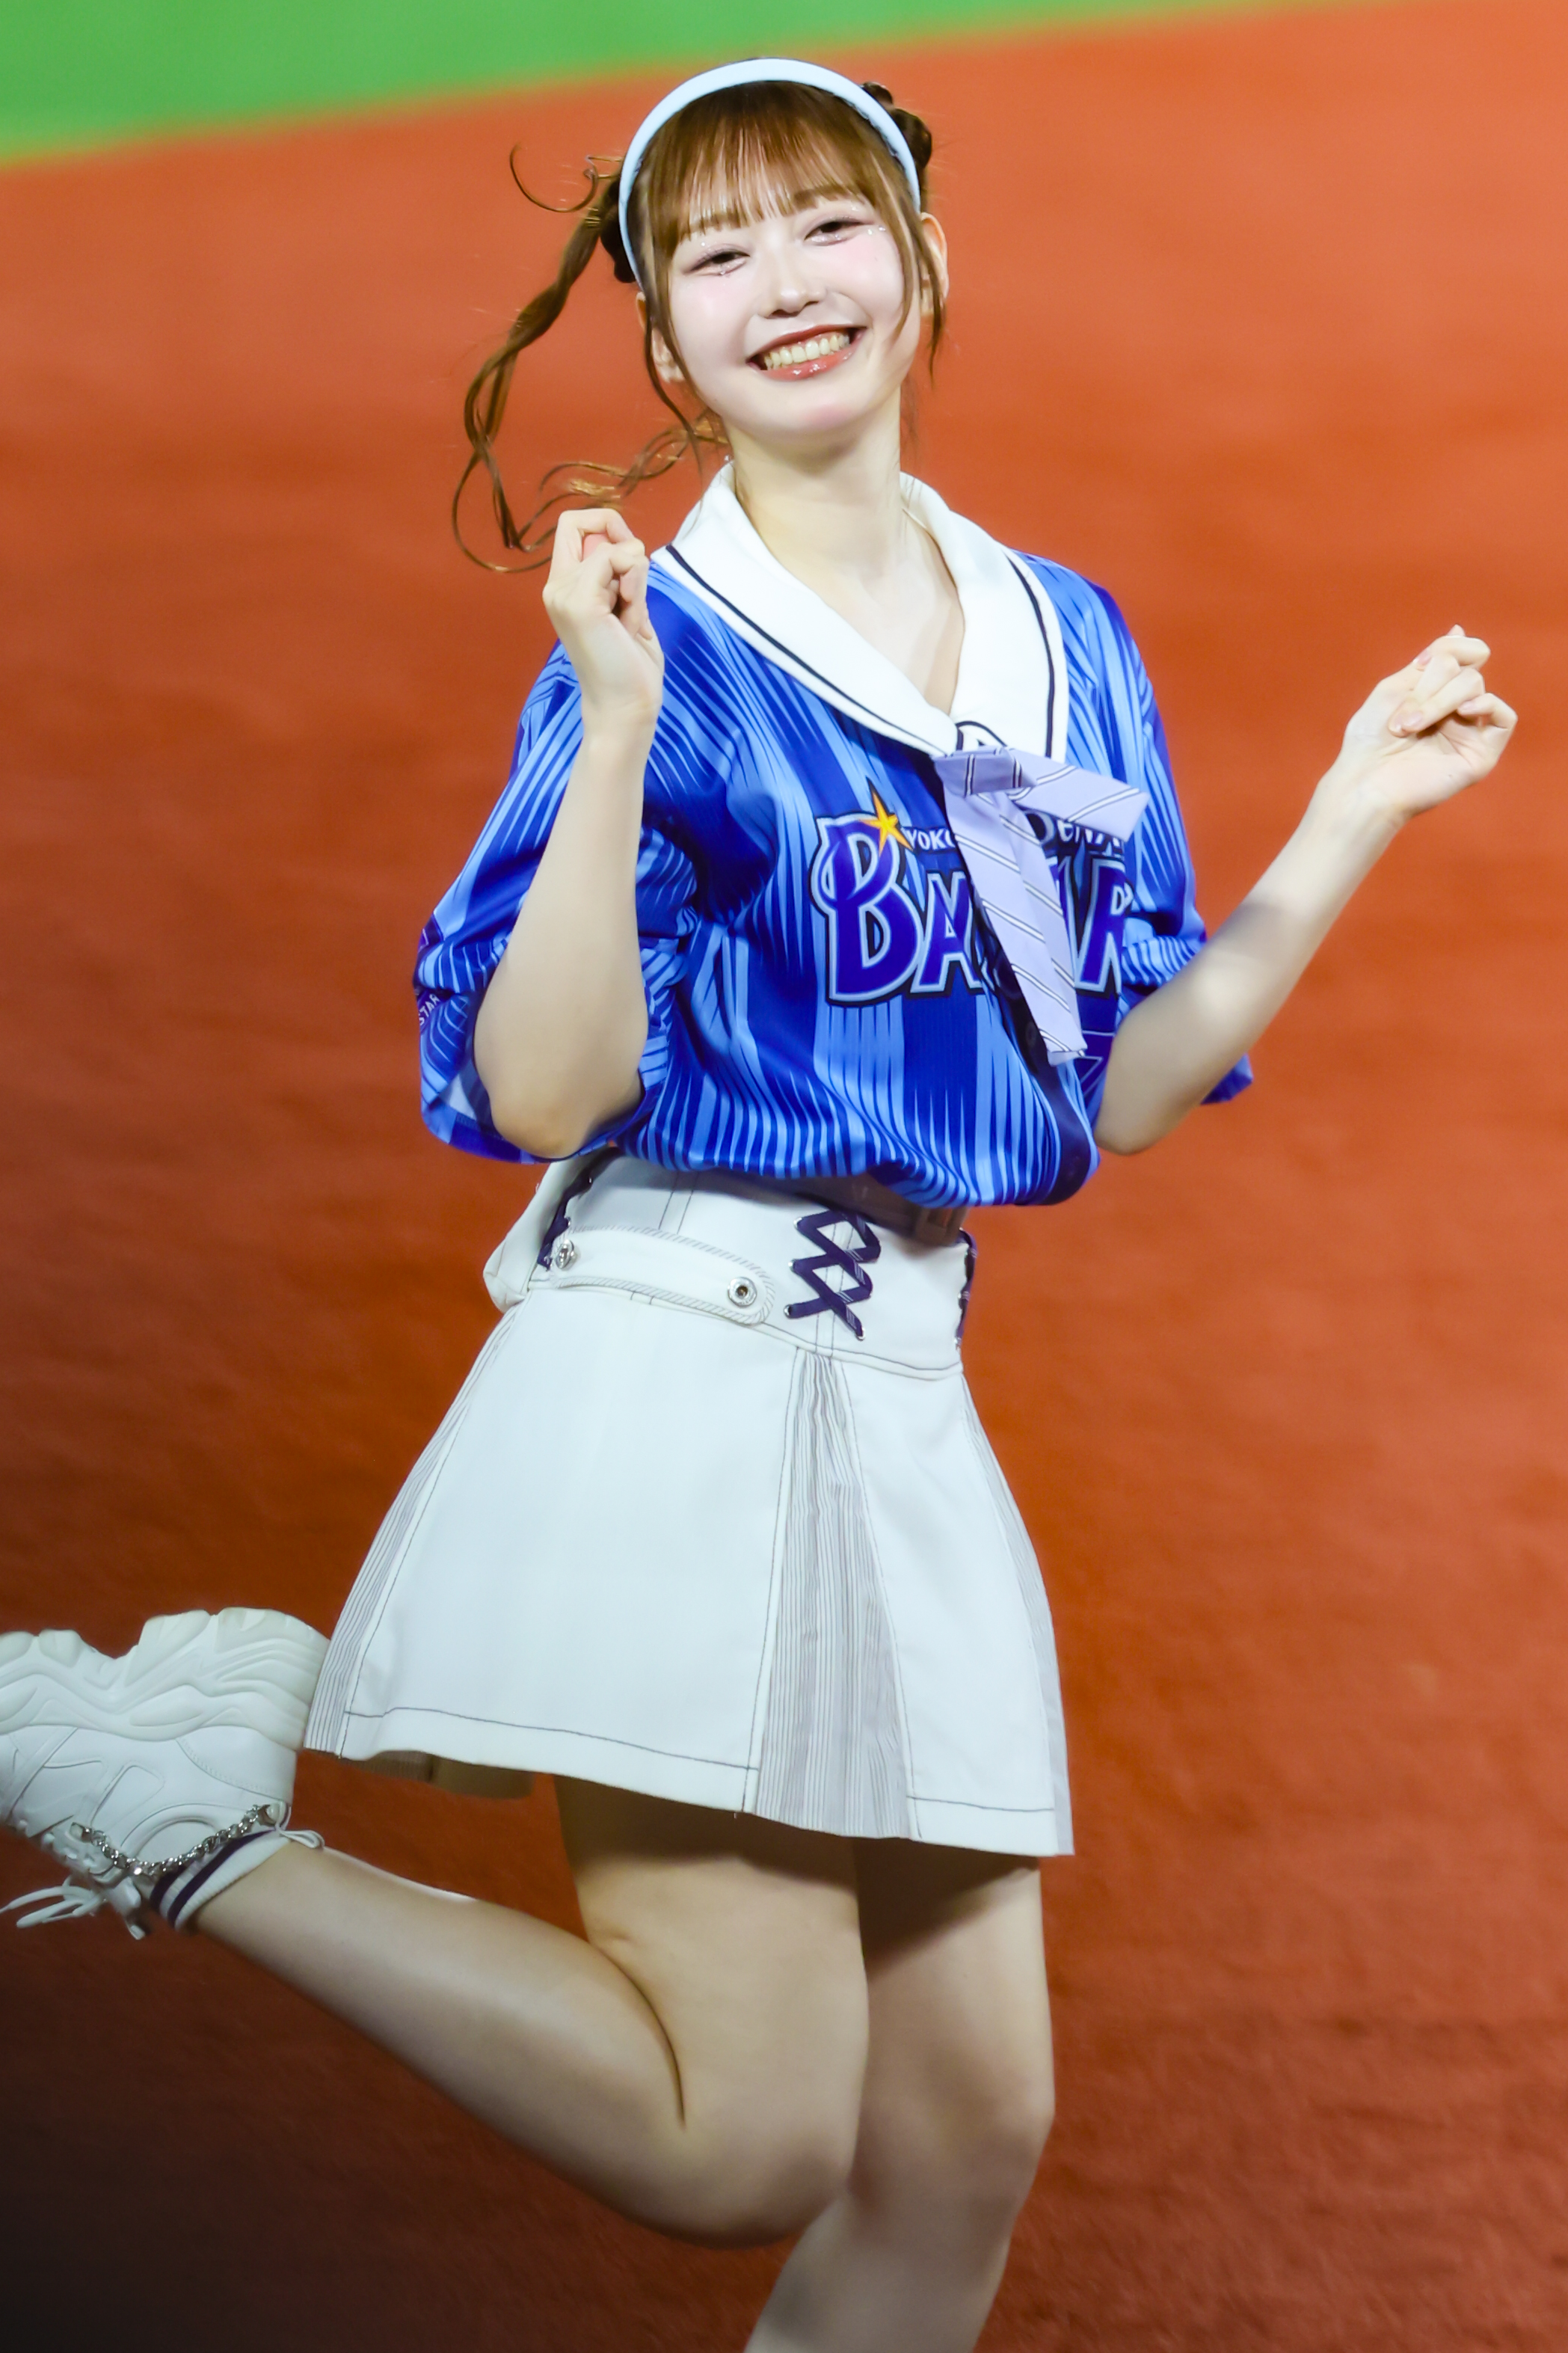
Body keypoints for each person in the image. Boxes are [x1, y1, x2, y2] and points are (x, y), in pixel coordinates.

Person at [0, 58, 1516, 2353]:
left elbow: (1105, 1090)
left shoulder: (1057, 629)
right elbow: (534, 1082)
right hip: (676, 1386)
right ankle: (190, 1819)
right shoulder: (668, 653)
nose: (785, 287)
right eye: (717, 254)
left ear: (924, 263)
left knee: (956, 2146)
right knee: (745, 2140)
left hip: (901, 1397)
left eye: (826, 227)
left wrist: (1346, 817)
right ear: (666, 342)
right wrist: (607, 731)